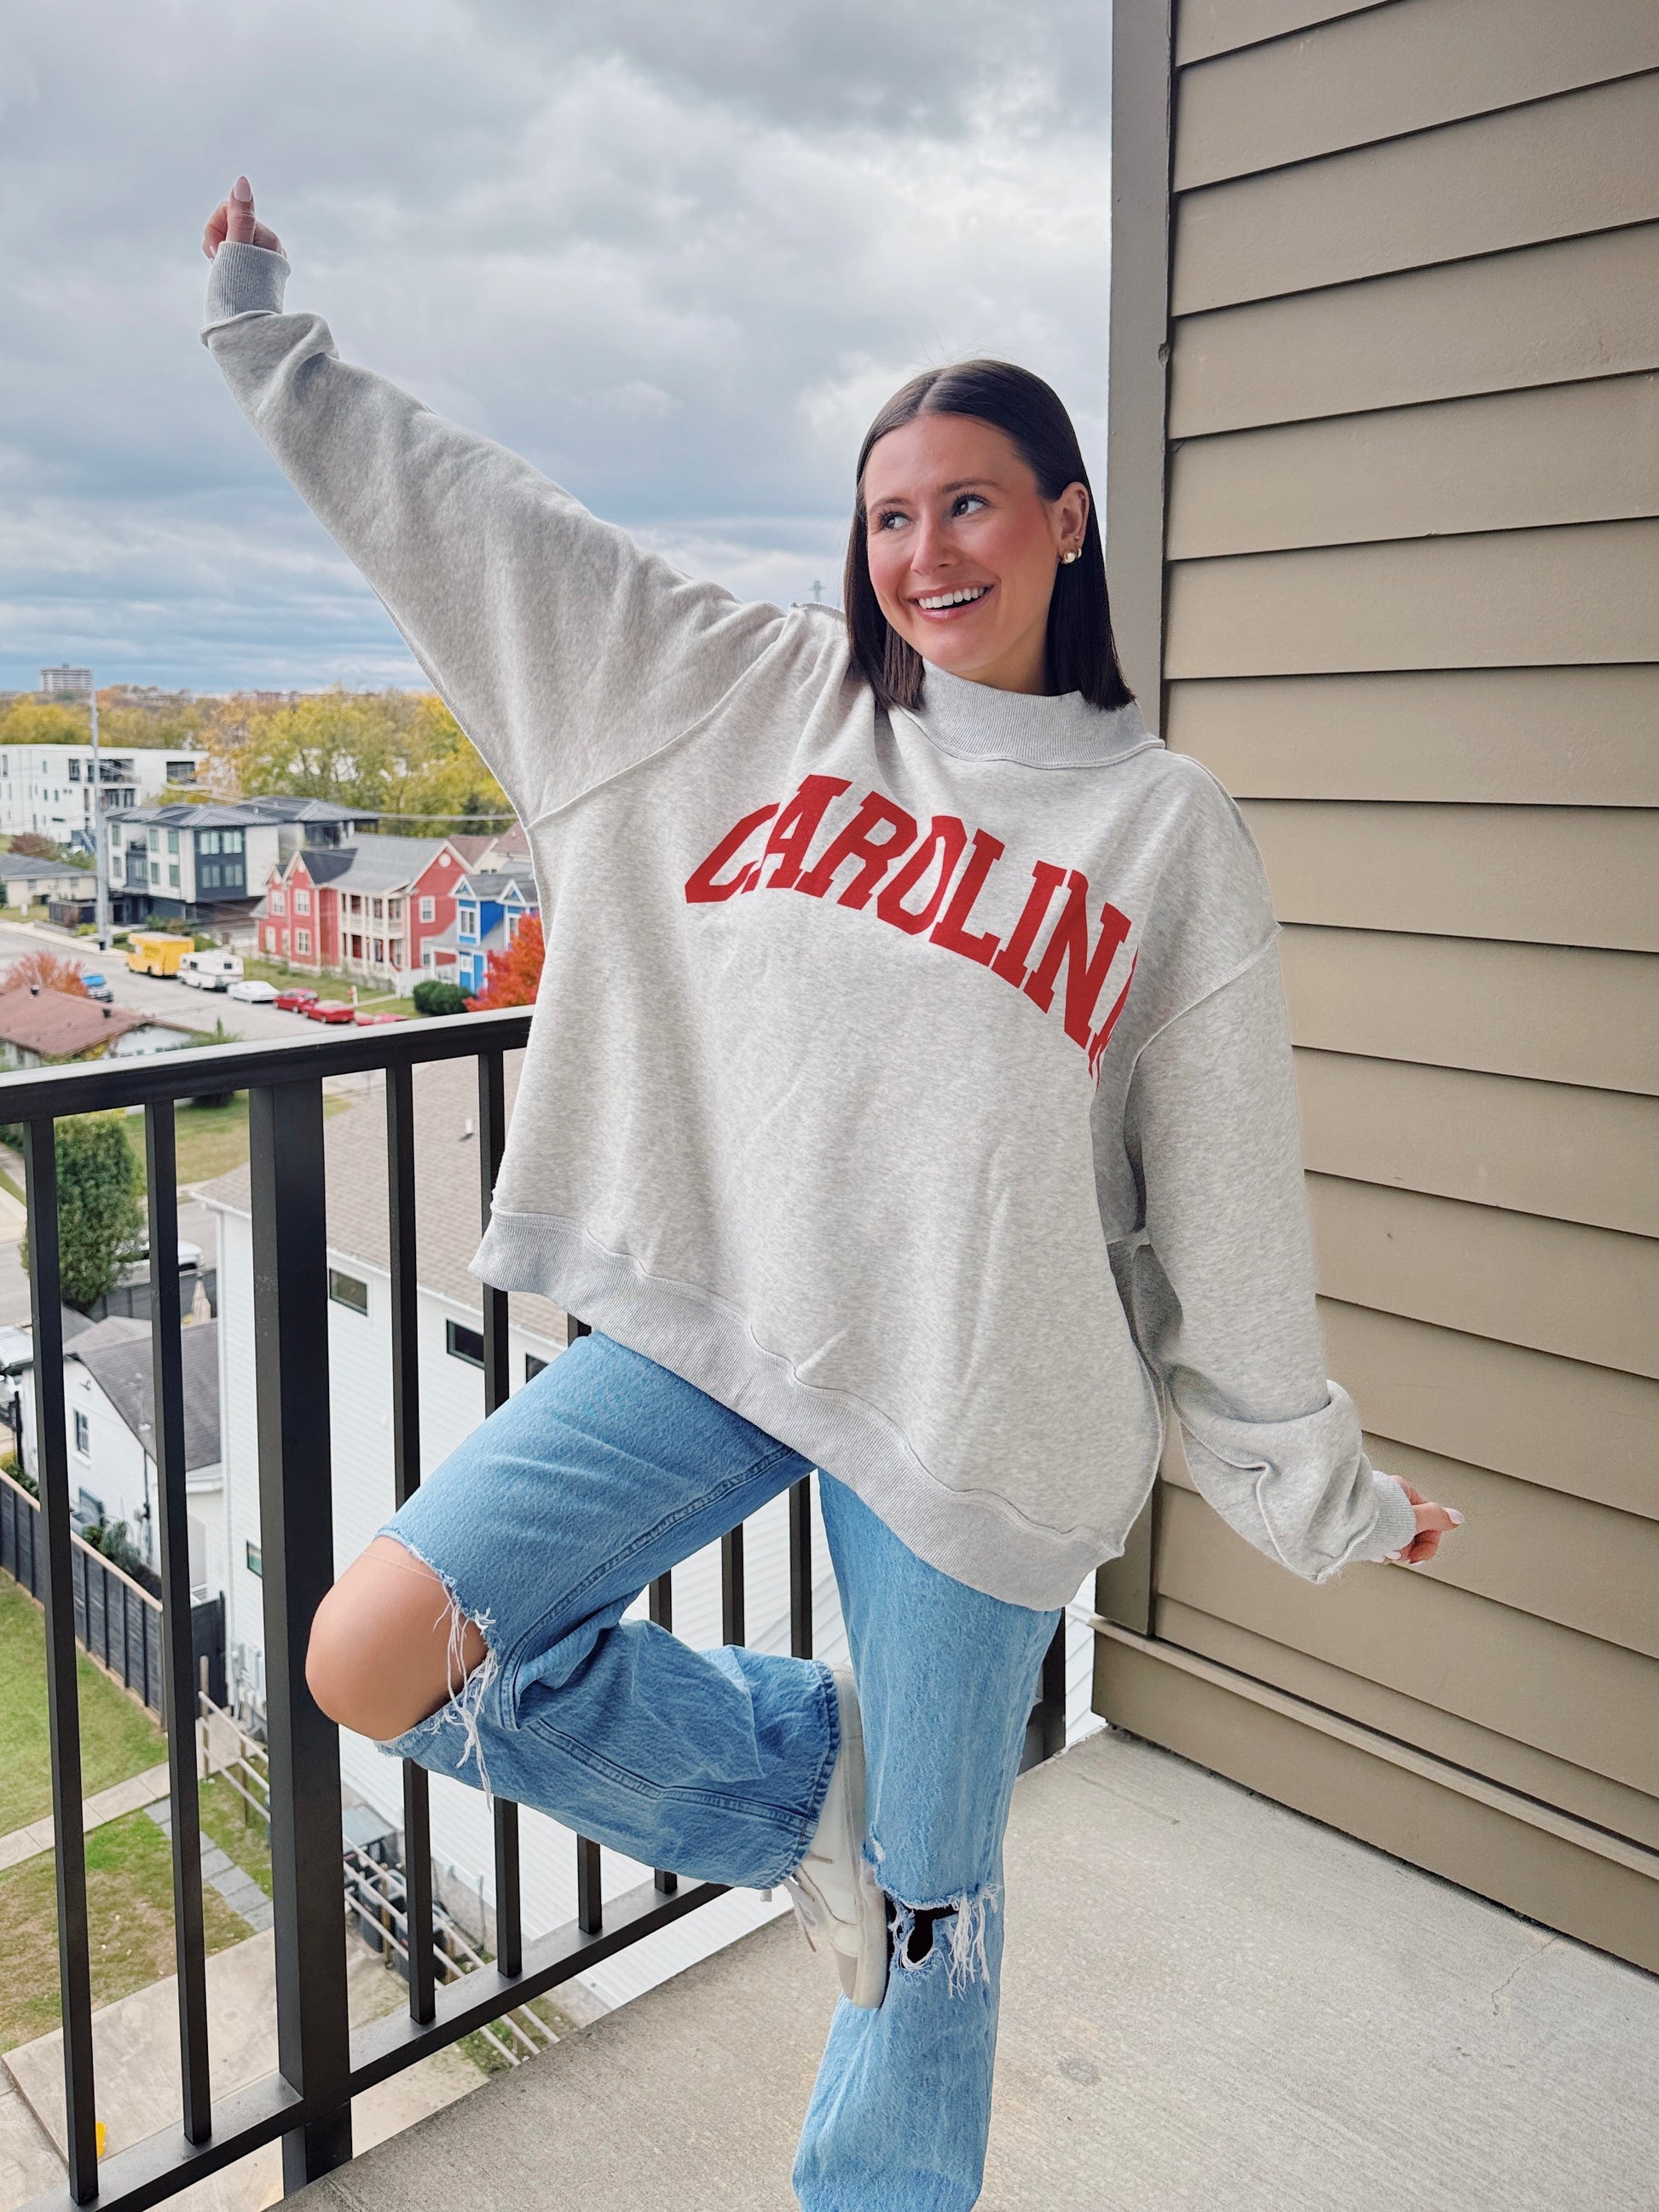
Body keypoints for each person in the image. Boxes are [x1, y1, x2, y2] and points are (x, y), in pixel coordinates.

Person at [198, 175, 1462, 2210]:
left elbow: (1223, 1182)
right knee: (381, 1646)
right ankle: (805, 1786)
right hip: (724, 1318)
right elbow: (496, 534)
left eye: (968, 503)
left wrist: (1316, 1481)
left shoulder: (1161, 828)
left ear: (1065, 518)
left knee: (934, 1916)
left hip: (977, 1399)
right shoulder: (746, 696)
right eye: (887, 515)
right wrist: (276, 344)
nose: (923, 549)